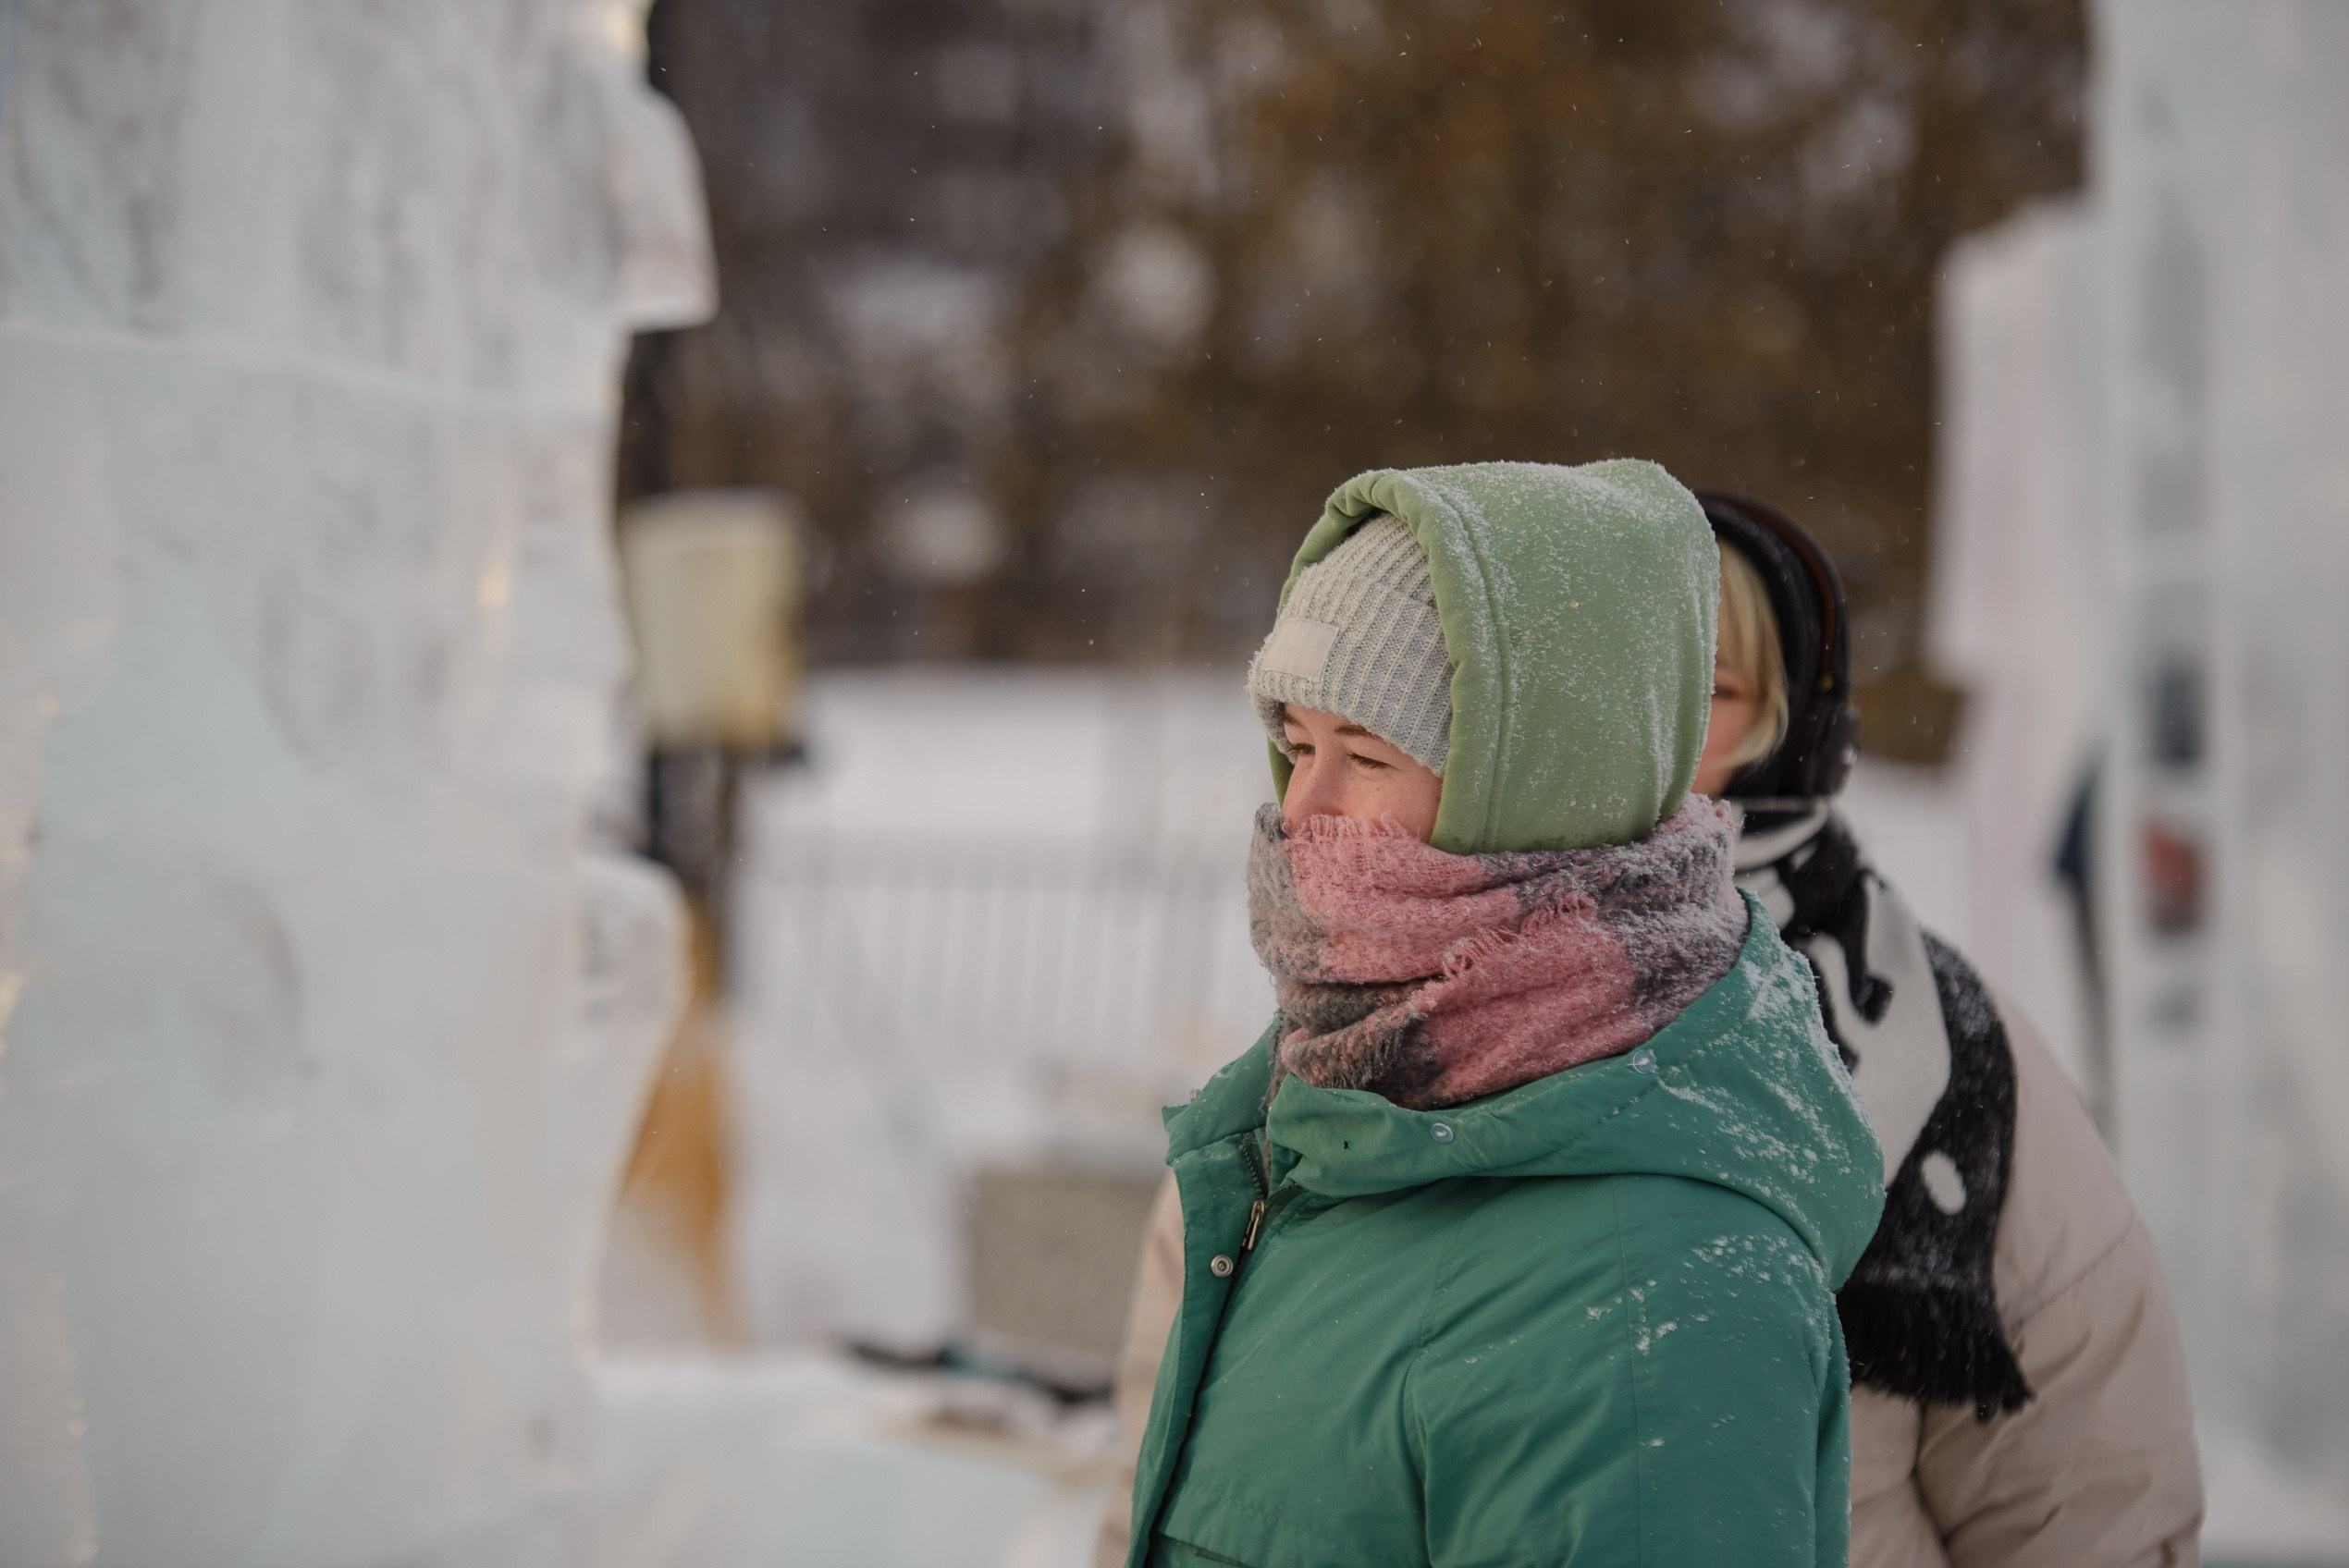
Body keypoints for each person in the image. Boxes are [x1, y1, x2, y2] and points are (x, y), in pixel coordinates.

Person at [1108, 460, 1885, 1568]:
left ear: (1536, 788)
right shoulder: (1333, 1106)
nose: (1302, 809)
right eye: (1297, 744)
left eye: (1365, 753)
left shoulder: (1642, 1294)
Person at [1693, 492, 2203, 1567]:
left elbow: (2084, 1506)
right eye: (1625, 679)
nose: (1652, 728)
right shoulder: (1420, 979)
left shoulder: (1940, 1045)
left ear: (1793, 732)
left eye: (1709, 692)